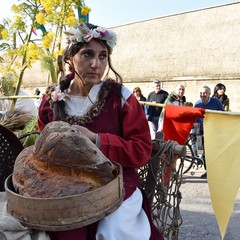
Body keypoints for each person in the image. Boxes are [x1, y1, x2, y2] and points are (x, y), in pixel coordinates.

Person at [38, 22, 163, 240]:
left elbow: (142, 150)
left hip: (115, 185)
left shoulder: (121, 98)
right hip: (65, 189)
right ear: (70, 58)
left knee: (114, 228)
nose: (96, 64)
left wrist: (96, 140)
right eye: (88, 54)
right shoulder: (52, 100)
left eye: (103, 56)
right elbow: (44, 149)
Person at [194, 85, 224, 179]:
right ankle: (208, 171)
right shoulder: (197, 104)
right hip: (201, 131)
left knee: (212, 152)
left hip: (213, 131)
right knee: (203, 152)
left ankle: (215, 171)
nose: (203, 95)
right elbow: (194, 116)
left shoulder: (216, 103)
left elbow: (222, 114)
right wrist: (195, 123)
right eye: (201, 93)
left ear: (209, 94)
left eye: (205, 93)